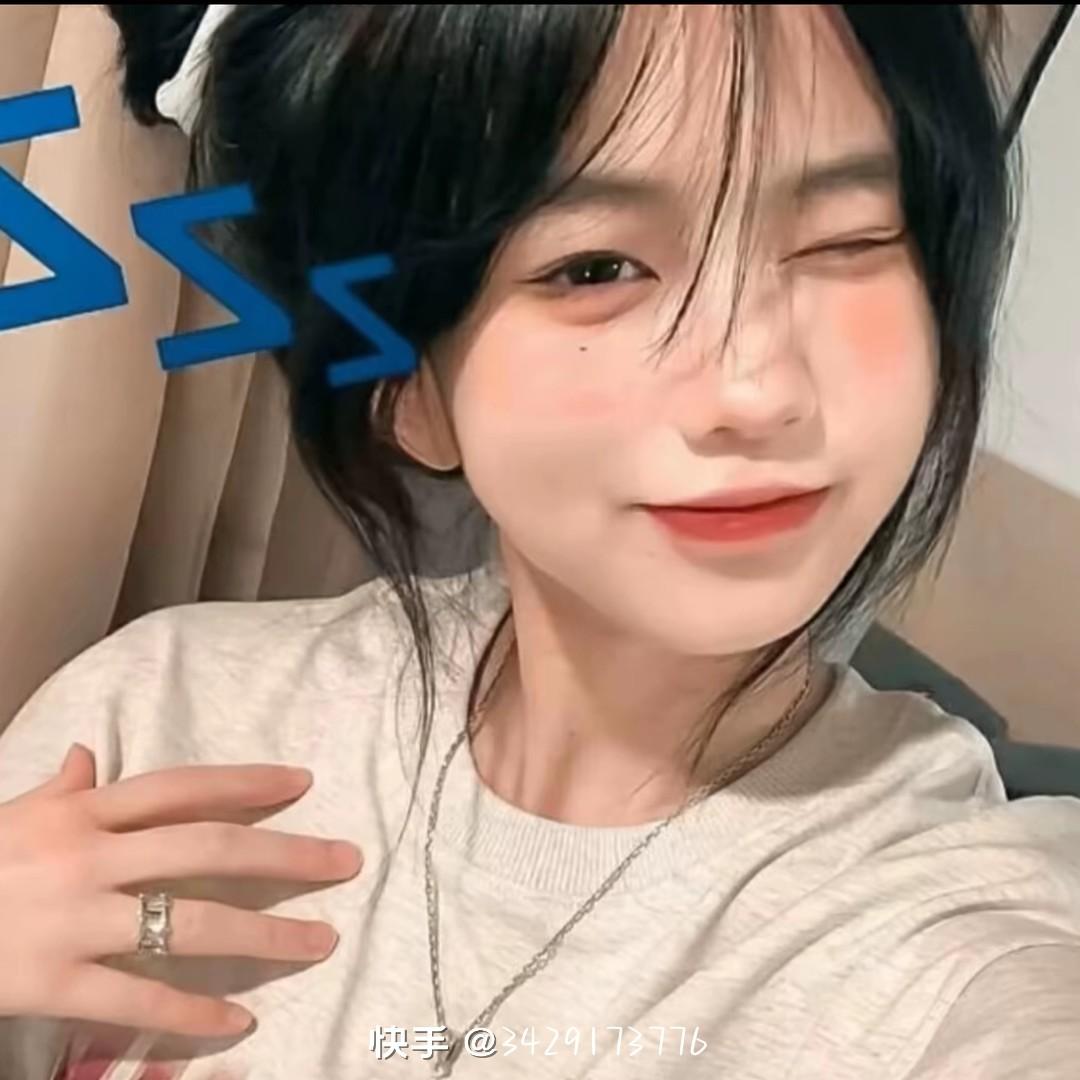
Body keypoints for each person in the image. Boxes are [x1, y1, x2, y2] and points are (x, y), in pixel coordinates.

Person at [1, 3, 1078, 1078]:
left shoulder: (960, 926)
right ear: (407, 387)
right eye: (596, 267)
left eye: (848, 240)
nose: (760, 390)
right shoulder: (160, 718)